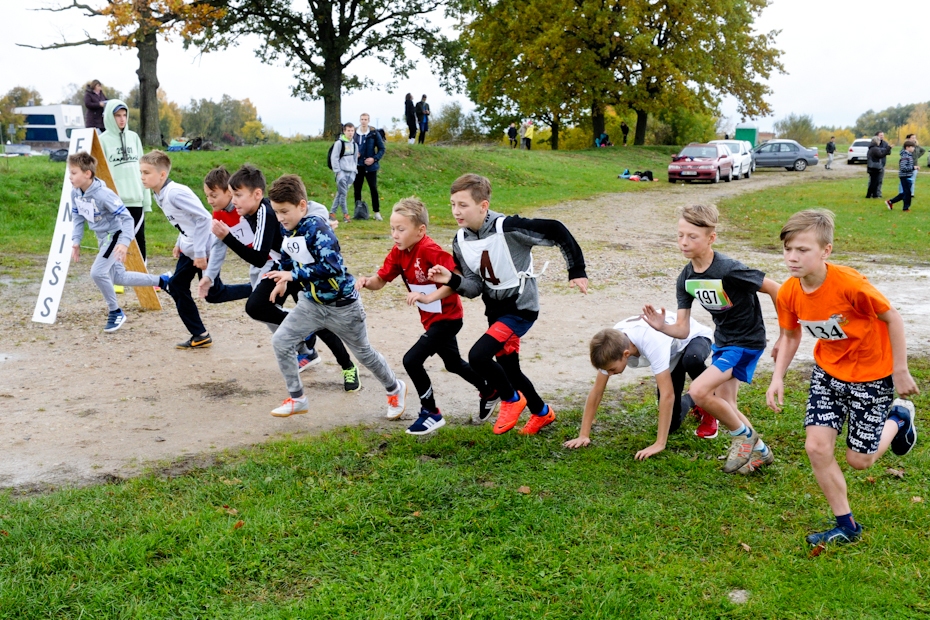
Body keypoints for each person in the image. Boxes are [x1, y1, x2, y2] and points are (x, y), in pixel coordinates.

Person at [766, 209, 919, 546]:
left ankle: (899, 416)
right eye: (788, 248)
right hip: (828, 374)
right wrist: (778, 377)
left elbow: (892, 318)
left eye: (802, 250)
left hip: (872, 376)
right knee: (816, 447)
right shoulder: (789, 292)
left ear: (826, 251)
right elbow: (790, 337)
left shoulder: (849, 285)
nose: (792, 257)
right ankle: (846, 526)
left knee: (859, 461)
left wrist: (900, 368)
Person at [427, 174, 589, 435]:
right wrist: (452, 279)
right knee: (509, 368)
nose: (456, 211)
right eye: (452, 204)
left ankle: (511, 399)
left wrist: (577, 270)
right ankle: (542, 412)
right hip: (495, 310)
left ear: (483, 206)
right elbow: (474, 287)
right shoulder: (460, 240)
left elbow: (557, 229)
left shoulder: (509, 228)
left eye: (463, 205)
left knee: (478, 356)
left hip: (520, 309)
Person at [642, 204, 782, 474]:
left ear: (711, 238)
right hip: (724, 341)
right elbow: (682, 329)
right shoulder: (686, 277)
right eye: (680, 235)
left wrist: (784, 335)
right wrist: (662, 326)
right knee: (726, 404)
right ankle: (761, 452)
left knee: (698, 391)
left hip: (746, 341)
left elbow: (776, 288)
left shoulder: (728, 268)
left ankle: (742, 438)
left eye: (692, 236)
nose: (684, 242)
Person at [263, 174, 407, 419]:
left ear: (302, 206)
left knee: (364, 354)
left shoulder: (319, 229)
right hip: (311, 304)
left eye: (284, 211)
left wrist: (292, 275)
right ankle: (297, 398)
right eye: (276, 212)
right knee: (281, 341)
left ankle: (395, 388)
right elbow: (288, 254)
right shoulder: (286, 227)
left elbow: (332, 268)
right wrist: (282, 282)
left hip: (344, 307)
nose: (280, 218)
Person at [355, 197, 492, 435]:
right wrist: (367, 282)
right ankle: (489, 389)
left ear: (420, 231)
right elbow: (381, 281)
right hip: (432, 320)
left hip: (449, 319)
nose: (395, 235)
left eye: (401, 229)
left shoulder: (430, 250)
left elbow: (456, 281)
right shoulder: (398, 253)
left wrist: (428, 297)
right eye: (392, 229)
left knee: (411, 360)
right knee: (453, 363)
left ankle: (431, 413)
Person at [207, 165, 357, 381]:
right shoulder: (252, 211)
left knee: (316, 318)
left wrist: (226, 237)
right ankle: (305, 329)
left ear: (257, 194)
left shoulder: (264, 212)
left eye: (238, 195)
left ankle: (348, 367)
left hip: (304, 268)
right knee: (256, 306)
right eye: (232, 195)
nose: (234, 200)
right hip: (285, 266)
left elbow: (258, 257)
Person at [563, 315, 714, 459]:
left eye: (612, 370)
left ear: (626, 354)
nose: (609, 373)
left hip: (693, 338)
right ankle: (694, 397)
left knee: (691, 360)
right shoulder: (609, 347)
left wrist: (659, 443)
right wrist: (583, 434)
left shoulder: (651, 342)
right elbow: (597, 392)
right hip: (671, 353)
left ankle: (710, 400)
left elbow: (667, 394)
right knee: (672, 424)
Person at [67, 152, 162, 332]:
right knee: (119, 277)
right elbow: (77, 216)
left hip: (115, 236)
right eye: (69, 173)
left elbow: (127, 219)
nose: (70, 177)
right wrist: (76, 241)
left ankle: (116, 312)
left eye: (73, 173)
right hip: (103, 238)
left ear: (87, 174)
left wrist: (124, 243)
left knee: (97, 272)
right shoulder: (75, 193)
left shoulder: (104, 194)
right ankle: (164, 280)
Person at [139, 150, 214, 349]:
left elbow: (204, 218)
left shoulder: (175, 193)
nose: (142, 177)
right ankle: (200, 334)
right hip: (189, 247)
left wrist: (199, 254)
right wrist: (179, 242)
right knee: (177, 286)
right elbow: (184, 221)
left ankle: (255, 289)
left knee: (215, 294)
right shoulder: (159, 194)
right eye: (141, 172)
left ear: (162, 175)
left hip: (203, 247)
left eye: (147, 172)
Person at [99, 99, 150, 264]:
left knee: (139, 239)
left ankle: (144, 278)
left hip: (136, 199)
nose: (122, 119)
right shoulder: (102, 140)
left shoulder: (134, 137)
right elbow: (101, 173)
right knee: (117, 240)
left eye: (124, 115)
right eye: (117, 116)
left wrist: (146, 200)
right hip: (116, 201)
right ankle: (117, 275)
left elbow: (144, 169)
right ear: (109, 117)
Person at [196, 166, 253, 306]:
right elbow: (218, 246)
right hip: (257, 262)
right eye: (207, 196)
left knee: (259, 307)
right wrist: (209, 276)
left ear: (229, 192)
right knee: (260, 308)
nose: (209, 200)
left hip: (274, 260)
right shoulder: (218, 214)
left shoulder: (247, 208)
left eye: (213, 196)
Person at [352, 113, 386, 221]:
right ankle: (358, 211)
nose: (363, 121)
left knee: (373, 188)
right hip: (357, 166)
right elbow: (348, 146)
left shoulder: (374, 133)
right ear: (359, 120)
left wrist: (374, 159)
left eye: (365, 119)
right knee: (357, 189)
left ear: (368, 120)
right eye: (362, 119)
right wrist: (354, 154)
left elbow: (382, 149)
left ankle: (377, 212)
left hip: (370, 167)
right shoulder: (354, 133)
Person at [329, 122, 358, 223]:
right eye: (348, 131)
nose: (350, 133)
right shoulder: (339, 143)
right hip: (342, 173)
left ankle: (332, 213)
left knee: (340, 194)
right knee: (343, 194)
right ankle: (346, 215)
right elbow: (334, 158)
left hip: (351, 173)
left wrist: (355, 171)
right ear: (344, 131)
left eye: (352, 131)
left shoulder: (354, 144)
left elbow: (355, 158)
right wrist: (337, 171)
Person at [886, 140, 919, 212]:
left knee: (905, 193)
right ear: (907, 147)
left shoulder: (909, 156)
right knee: (907, 193)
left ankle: (891, 202)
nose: (914, 148)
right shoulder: (905, 156)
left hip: (908, 176)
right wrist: (913, 168)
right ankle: (905, 208)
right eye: (912, 147)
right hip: (905, 176)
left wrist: (914, 167)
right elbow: (903, 168)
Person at [874, 131, 893, 198]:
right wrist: (885, 149)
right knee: (872, 180)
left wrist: (886, 150)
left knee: (880, 180)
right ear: (877, 136)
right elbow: (875, 150)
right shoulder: (873, 143)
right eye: (881, 135)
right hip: (874, 164)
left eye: (883, 135)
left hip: (882, 163)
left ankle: (878, 193)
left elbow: (889, 152)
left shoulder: (885, 143)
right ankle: (871, 193)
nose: (882, 136)